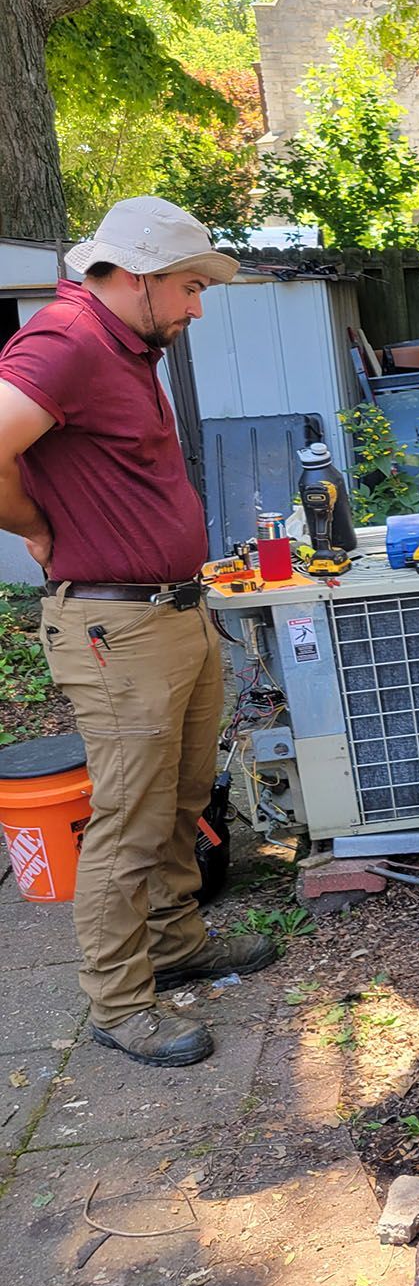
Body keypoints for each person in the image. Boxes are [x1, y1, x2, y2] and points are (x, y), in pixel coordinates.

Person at [0, 197, 279, 1067]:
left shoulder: (126, 343)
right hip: (113, 625)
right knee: (126, 819)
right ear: (140, 276)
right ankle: (119, 1003)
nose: (198, 307)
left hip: (172, 609)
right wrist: (34, 528)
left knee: (182, 796)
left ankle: (176, 942)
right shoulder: (67, 340)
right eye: (191, 287)